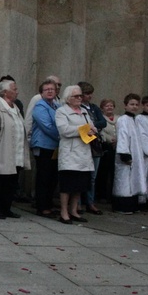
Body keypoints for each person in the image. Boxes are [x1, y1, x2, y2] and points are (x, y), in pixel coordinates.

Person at [0, 79, 30, 219]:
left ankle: (6, 208)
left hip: (14, 154)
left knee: (10, 184)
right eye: (14, 89)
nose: (17, 91)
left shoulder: (15, 108)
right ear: (5, 92)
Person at [55, 85, 94, 224]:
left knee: (79, 185)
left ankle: (74, 210)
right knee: (67, 185)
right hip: (70, 153)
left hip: (84, 152)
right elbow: (64, 130)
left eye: (80, 96)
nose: (79, 98)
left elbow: (91, 126)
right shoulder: (61, 112)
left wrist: (92, 129)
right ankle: (64, 211)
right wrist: (83, 130)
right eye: (76, 96)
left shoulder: (84, 111)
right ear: (68, 98)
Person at [112, 93, 146, 214]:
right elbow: (123, 137)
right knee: (124, 180)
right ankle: (122, 206)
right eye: (131, 104)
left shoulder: (135, 120)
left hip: (135, 154)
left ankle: (132, 204)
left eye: (137, 104)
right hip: (126, 154)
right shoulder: (123, 120)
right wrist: (124, 154)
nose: (134, 107)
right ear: (125, 106)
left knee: (133, 179)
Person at [30, 80, 60, 217]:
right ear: (41, 92)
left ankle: (49, 203)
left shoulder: (56, 106)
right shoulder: (40, 106)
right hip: (43, 146)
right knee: (44, 177)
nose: (49, 91)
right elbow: (47, 127)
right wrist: (63, 136)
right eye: (46, 89)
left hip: (54, 147)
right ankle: (42, 206)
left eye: (52, 89)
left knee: (52, 177)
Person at [78, 81, 106, 214]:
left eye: (90, 94)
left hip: (94, 143)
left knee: (93, 177)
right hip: (83, 143)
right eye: (86, 94)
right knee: (79, 175)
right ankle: (77, 203)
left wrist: (92, 125)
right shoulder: (78, 108)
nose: (89, 96)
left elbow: (103, 122)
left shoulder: (94, 108)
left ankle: (90, 202)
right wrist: (92, 126)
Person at [96, 98, 118, 203]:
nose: (109, 107)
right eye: (107, 106)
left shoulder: (119, 119)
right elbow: (101, 132)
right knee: (104, 173)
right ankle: (102, 195)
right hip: (106, 148)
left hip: (118, 148)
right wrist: (110, 140)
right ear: (102, 108)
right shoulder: (101, 119)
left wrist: (118, 140)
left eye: (111, 105)